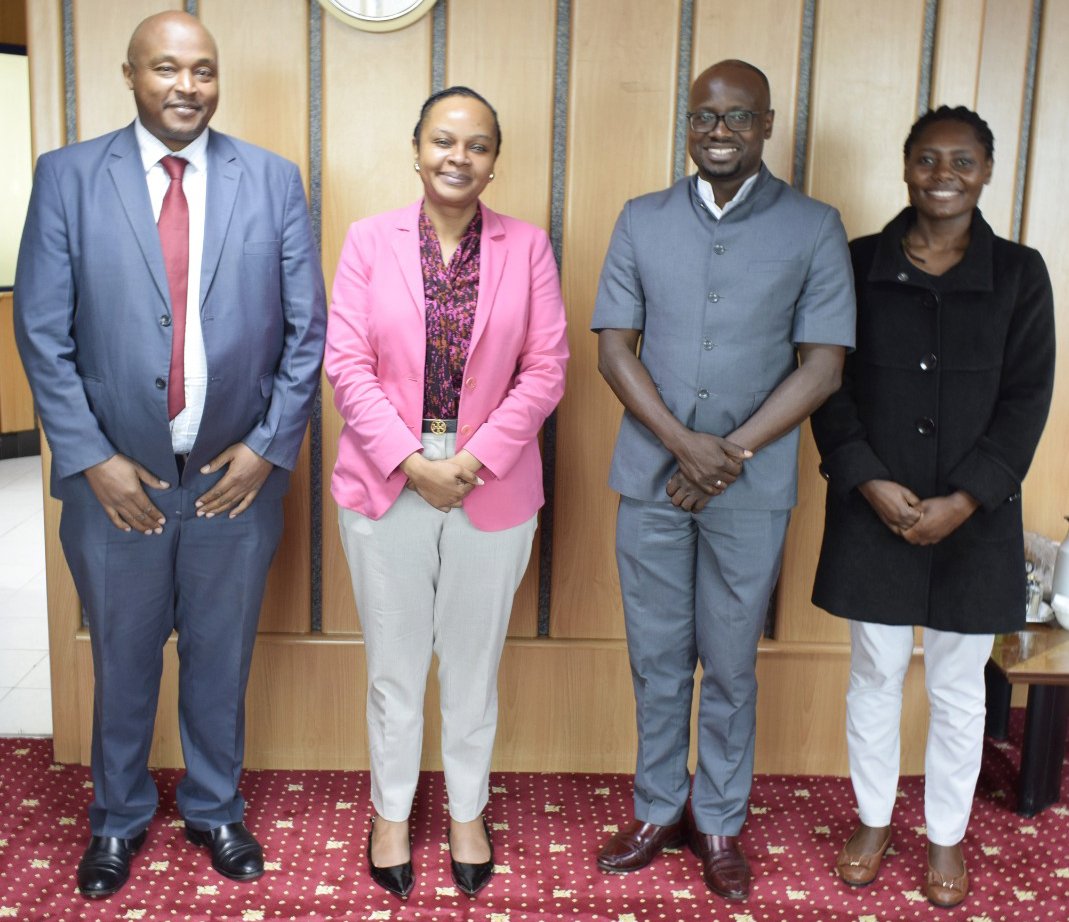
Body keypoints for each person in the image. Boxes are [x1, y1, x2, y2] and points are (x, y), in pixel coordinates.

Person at [13, 11, 326, 900]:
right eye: (167, 69)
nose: (187, 86)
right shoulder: (70, 177)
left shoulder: (271, 180)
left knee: (221, 655)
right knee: (123, 654)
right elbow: (41, 330)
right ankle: (116, 818)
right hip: (117, 482)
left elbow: (308, 333)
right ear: (130, 74)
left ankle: (215, 806)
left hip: (235, 481)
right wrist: (92, 459)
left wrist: (267, 451)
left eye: (203, 70)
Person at [592, 60, 856, 901]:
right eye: (705, 117)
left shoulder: (814, 226)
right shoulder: (641, 220)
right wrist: (682, 446)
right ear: (688, 123)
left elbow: (822, 369)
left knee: (732, 661)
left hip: (751, 486)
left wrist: (727, 454)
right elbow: (612, 350)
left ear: (766, 126)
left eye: (738, 118)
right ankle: (657, 807)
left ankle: (717, 822)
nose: (719, 132)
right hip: (650, 478)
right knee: (657, 656)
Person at [325, 86, 568, 900]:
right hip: (384, 479)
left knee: (471, 665)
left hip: (490, 485)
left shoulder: (528, 247)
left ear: (495, 159)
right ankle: (390, 812)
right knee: (394, 668)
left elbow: (546, 370)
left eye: (476, 145)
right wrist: (408, 459)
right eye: (442, 141)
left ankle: (467, 809)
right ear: (416, 147)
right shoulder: (366, 241)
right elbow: (347, 368)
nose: (457, 158)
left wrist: (473, 460)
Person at [811, 106, 1055, 908]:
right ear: (905, 165)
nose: (942, 175)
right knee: (874, 672)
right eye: (926, 159)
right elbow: (826, 382)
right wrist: (864, 479)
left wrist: (968, 497)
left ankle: (944, 835)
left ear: (986, 171)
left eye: (961, 161)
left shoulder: (1021, 273)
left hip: (972, 518)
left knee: (957, 686)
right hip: (871, 505)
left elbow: (1025, 402)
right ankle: (874, 819)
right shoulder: (854, 264)